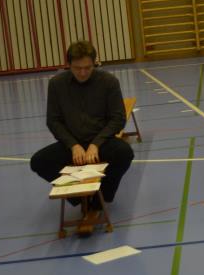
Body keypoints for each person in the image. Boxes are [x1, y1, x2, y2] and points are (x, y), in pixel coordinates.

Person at [30, 40, 134, 206]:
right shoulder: (56, 84)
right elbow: (53, 121)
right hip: (72, 145)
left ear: (94, 63)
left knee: (124, 153)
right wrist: (73, 145)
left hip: (102, 143)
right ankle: (76, 197)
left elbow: (118, 118)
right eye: (77, 68)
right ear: (69, 65)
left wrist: (96, 144)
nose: (83, 73)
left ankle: (102, 196)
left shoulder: (109, 82)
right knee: (38, 161)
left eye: (88, 67)